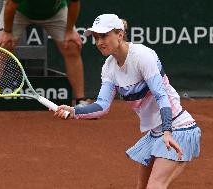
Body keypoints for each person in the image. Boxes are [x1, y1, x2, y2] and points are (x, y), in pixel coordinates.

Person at [54, 14, 201, 188]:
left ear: (120, 35)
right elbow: (102, 106)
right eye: (96, 38)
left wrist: (167, 131)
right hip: (156, 132)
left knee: (155, 186)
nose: (99, 42)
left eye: (104, 36)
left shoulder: (142, 56)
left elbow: (161, 95)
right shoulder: (108, 67)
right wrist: (74, 111)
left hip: (177, 128)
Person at [0, 0, 89, 119]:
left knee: (71, 46)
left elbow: (74, 2)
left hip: (56, 13)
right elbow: (10, 5)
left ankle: (80, 101)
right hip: (19, 12)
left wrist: (70, 30)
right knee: (3, 47)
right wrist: (7, 32)